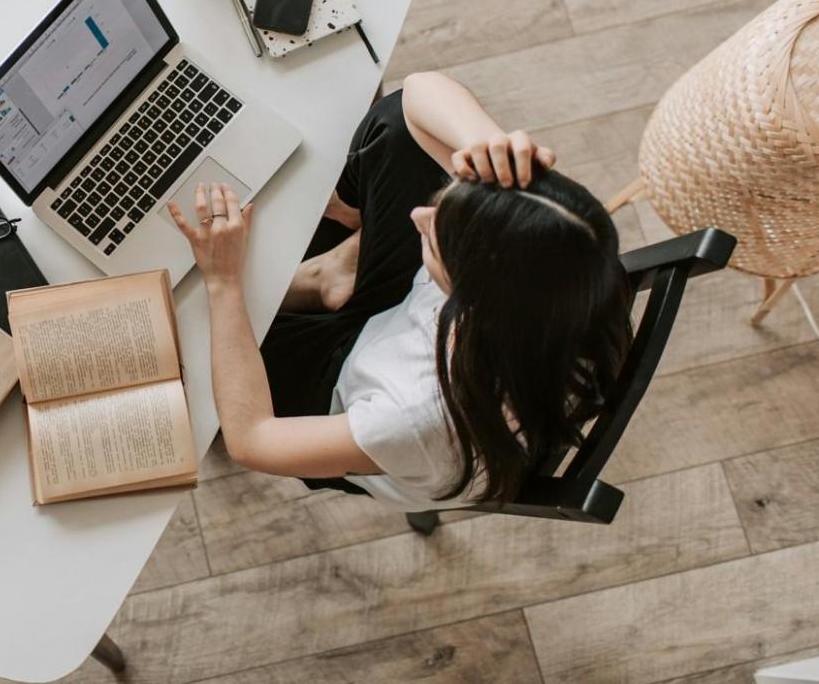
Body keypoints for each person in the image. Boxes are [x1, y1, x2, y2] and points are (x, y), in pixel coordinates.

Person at [166, 72, 634, 511]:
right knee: (393, 125)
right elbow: (415, 95)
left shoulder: (412, 418)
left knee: (187, 339)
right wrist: (484, 143)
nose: (419, 218)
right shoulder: (570, 261)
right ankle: (335, 275)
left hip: (341, 393)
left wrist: (224, 281)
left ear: (469, 298)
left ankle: (331, 273)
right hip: (404, 325)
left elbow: (253, 439)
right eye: (444, 205)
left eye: (437, 235)